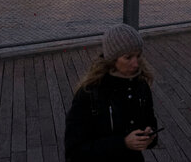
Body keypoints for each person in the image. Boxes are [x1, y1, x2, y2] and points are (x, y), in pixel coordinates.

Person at [65, 24, 159, 161]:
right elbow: (74, 153)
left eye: (138, 56)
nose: (136, 64)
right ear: (112, 60)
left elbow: (150, 121)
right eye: (128, 57)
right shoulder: (89, 93)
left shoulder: (141, 86)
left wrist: (150, 135)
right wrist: (123, 143)